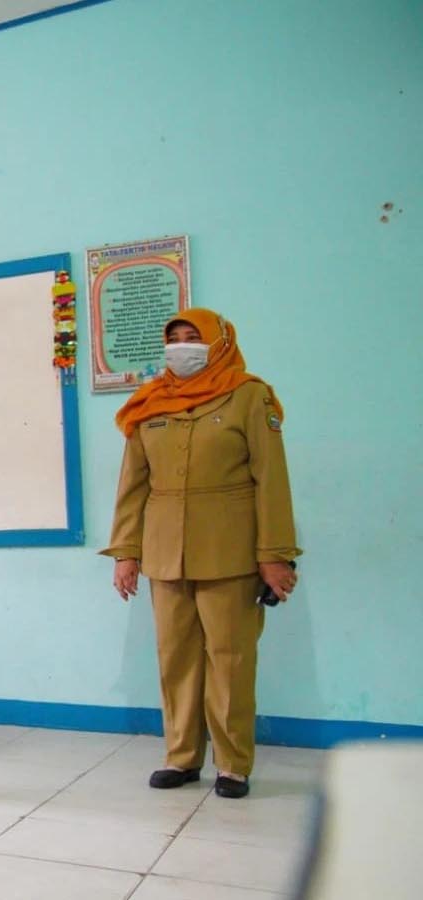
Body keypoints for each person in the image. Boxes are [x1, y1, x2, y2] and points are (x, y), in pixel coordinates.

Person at [103, 308, 299, 800]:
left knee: (230, 658)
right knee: (175, 657)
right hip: (165, 552)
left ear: (219, 344)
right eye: (175, 339)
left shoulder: (250, 396)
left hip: (231, 551)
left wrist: (274, 555)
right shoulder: (149, 404)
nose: (183, 347)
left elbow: (271, 480)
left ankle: (232, 763)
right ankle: (182, 757)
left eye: (194, 338)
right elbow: (133, 486)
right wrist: (126, 551)